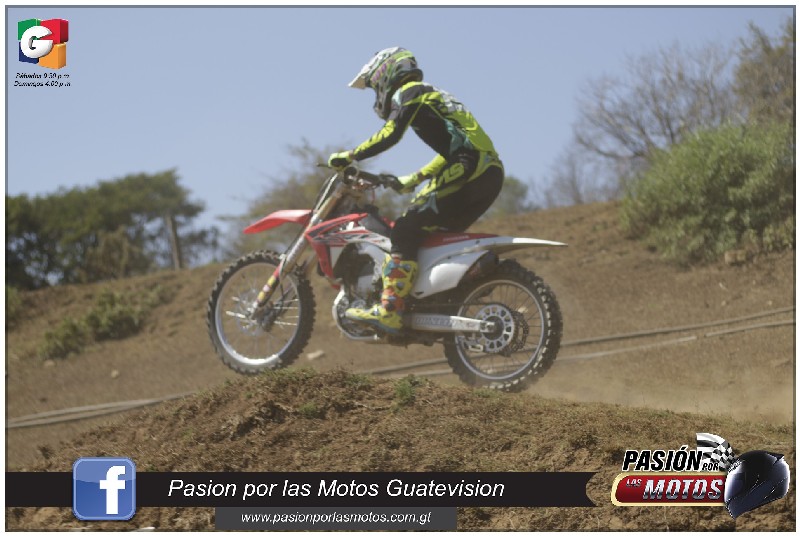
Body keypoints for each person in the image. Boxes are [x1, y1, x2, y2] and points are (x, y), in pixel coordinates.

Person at [328, 46, 504, 335]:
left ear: (385, 73)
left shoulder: (409, 91)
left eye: (374, 87)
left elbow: (391, 134)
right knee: (431, 238)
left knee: (405, 230)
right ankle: (441, 301)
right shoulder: (431, 94)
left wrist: (350, 156)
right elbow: (458, 146)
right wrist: (415, 178)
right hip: (488, 172)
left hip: (471, 167)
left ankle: (390, 310)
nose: (377, 95)